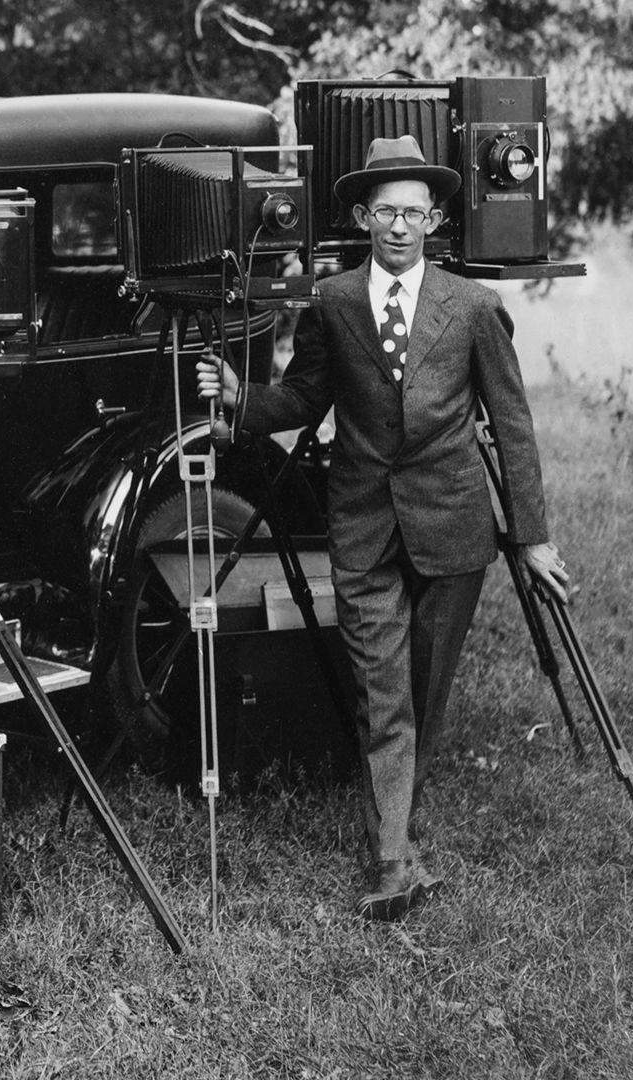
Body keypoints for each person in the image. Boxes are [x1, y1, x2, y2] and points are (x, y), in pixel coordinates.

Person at [198, 136, 570, 920]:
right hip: (363, 520)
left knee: (425, 696)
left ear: (433, 218)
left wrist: (531, 536)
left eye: (414, 212)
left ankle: (396, 820)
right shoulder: (331, 302)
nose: (400, 226)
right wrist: (239, 399)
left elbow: (513, 423)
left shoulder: (471, 307)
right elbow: (301, 402)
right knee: (382, 690)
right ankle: (393, 860)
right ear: (364, 217)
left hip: (454, 529)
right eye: (385, 212)